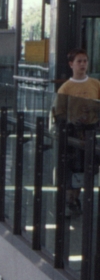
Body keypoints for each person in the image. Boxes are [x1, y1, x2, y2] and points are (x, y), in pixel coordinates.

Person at [55, 48, 100, 214]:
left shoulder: (96, 84)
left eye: (85, 61)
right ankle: (70, 199)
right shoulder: (66, 88)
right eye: (79, 61)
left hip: (90, 131)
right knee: (72, 167)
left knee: (86, 167)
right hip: (73, 133)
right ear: (71, 64)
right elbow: (59, 112)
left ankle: (75, 198)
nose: (82, 64)